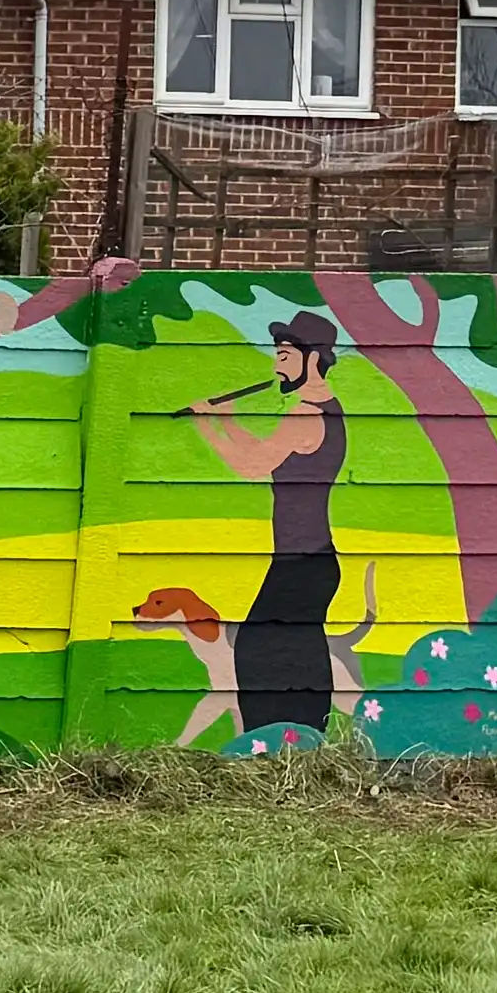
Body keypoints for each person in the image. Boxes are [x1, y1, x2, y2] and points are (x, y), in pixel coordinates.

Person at [185, 311, 350, 738]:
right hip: (307, 558)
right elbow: (267, 453)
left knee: (259, 649)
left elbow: (252, 464)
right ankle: (302, 738)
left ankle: (274, 740)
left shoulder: (308, 415)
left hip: (304, 560)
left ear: (312, 359)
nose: (276, 364)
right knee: (296, 649)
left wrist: (207, 423)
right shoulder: (318, 409)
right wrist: (228, 420)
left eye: (284, 355)